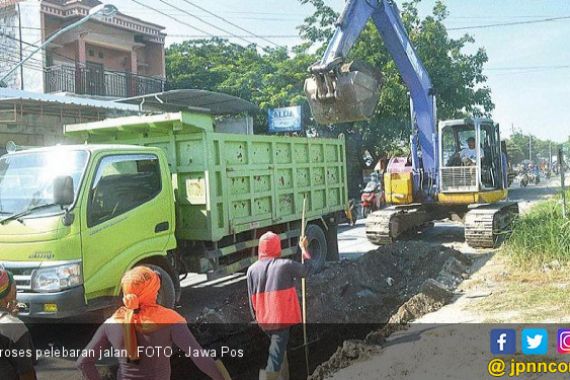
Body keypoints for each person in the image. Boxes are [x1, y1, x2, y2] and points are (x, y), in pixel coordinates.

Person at [77, 266, 225, 380]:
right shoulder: (170, 320)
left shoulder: (111, 323)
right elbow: (199, 357)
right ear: (153, 290)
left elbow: (83, 362)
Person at [247, 231, 312, 380]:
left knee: (280, 353)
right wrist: (304, 249)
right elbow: (306, 270)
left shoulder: (251, 270)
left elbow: (251, 297)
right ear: (277, 247)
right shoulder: (284, 265)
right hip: (280, 319)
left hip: (264, 320)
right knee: (276, 358)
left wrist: (257, 318)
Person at [0, 269, 37, 380]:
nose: (16, 292)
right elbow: (26, 374)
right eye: (14, 288)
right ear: (5, 296)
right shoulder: (13, 327)